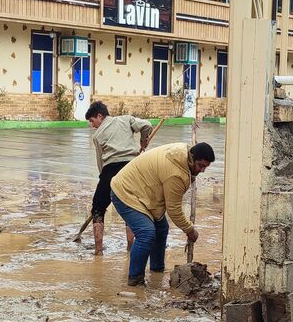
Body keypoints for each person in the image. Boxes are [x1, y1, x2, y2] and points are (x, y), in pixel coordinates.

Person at [110, 142, 215, 286]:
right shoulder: (176, 174)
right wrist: (190, 230)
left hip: (145, 192)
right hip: (126, 192)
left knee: (161, 229)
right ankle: (135, 280)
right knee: (146, 233)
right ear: (191, 157)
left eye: (205, 167)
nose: (202, 170)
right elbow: (174, 210)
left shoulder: (182, 151)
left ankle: (157, 272)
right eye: (200, 165)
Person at [85, 101, 152, 253]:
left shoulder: (97, 136)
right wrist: (143, 140)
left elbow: (100, 162)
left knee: (98, 208)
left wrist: (104, 182)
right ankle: (130, 248)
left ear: (100, 116)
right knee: (131, 206)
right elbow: (146, 125)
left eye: (92, 121)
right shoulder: (126, 119)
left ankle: (98, 250)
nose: (92, 125)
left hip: (110, 170)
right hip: (131, 169)